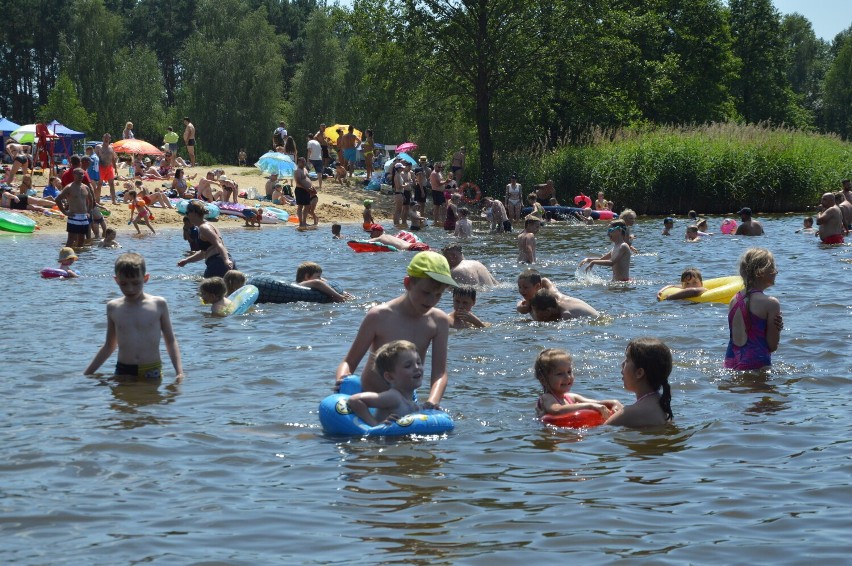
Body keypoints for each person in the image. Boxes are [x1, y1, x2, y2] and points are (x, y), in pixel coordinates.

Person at [334, 251, 457, 408]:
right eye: (425, 292)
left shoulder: (438, 321)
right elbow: (349, 362)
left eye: (438, 295)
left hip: (404, 399)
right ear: (408, 284)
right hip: (369, 397)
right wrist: (343, 380)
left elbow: (439, 373)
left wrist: (433, 401)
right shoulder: (379, 316)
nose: (431, 300)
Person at [84, 252, 183, 381]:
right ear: (116, 280)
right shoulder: (113, 307)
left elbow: (170, 340)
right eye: (124, 284)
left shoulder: (159, 304)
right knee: (122, 400)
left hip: (151, 369)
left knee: (153, 399)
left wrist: (179, 372)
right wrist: (87, 373)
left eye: (136, 283)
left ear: (146, 278)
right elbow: (109, 345)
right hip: (124, 369)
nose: (130, 289)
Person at [724, 248, 782, 371]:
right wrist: (778, 329)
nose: (776, 272)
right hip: (756, 361)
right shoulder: (771, 303)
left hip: (730, 360)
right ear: (760, 272)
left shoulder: (734, 299)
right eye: (772, 268)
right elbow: (772, 346)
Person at [346, 340, 424, 426]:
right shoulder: (393, 397)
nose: (417, 368)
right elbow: (354, 400)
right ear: (390, 377)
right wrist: (375, 424)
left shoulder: (412, 403)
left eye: (418, 363)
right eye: (408, 366)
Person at [534, 348, 621, 420]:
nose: (567, 377)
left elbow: (598, 402)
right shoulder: (547, 398)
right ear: (543, 380)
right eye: (560, 374)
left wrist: (613, 402)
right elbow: (556, 410)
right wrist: (590, 406)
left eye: (569, 372)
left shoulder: (572, 397)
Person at [605, 338, 674, 427]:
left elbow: (598, 433)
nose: (622, 364)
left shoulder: (627, 415)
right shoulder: (663, 406)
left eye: (627, 360)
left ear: (639, 373)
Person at [177, 201, 236, 277]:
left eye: (187, 213)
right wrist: (187, 260)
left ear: (194, 213)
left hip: (218, 263)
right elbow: (203, 253)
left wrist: (226, 260)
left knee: (205, 287)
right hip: (225, 261)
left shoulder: (204, 228)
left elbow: (218, 243)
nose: (187, 216)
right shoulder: (206, 226)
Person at [55, 168, 94, 248]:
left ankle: (79, 258)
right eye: (78, 174)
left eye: (82, 174)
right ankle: (65, 256)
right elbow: (58, 199)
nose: (81, 176)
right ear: (74, 175)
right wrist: (65, 212)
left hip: (84, 217)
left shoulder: (85, 187)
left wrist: (88, 211)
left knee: (82, 241)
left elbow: (91, 200)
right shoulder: (69, 187)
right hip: (74, 216)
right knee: (71, 239)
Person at [528, 288, 599, 320]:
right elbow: (544, 280)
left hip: (597, 321)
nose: (535, 314)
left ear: (548, 310)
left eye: (537, 312)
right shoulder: (559, 297)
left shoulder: (566, 314)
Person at [95, 134, 119, 204]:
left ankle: (114, 200)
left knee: (111, 184)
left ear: (109, 139)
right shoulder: (98, 147)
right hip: (101, 167)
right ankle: (98, 200)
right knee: (99, 184)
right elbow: (95, 158)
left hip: (109, 167)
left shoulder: (111, 148)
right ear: (102, 138)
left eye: (107, 138)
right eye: (105, 138)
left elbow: (113, 159)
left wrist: (116, 169)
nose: (106, 139)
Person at [293, 157, 316, 228]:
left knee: (307, 206)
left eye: (304, 162)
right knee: (300, 206)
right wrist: (306, 188)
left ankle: (304, 222)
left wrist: (312, 187)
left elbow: (308, 179)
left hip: (307, 190)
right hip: (300, 190)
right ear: (298, 162)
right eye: (302, 162)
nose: (304, 163)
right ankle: (300, 223)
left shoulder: (305, 169)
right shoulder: (297, 170)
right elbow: (298, 181)